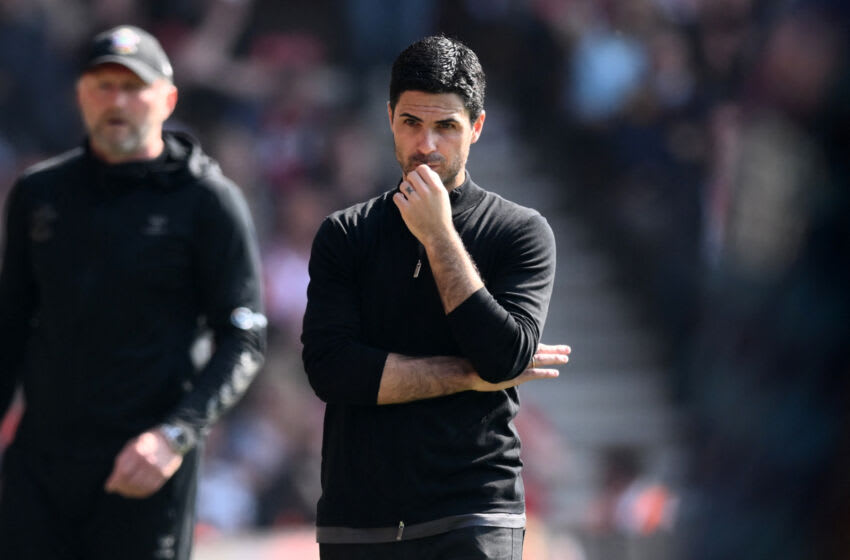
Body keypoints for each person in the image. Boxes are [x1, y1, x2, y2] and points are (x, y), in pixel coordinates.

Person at [0, 25, 265, 560]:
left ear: (167, 99)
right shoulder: (39, 194)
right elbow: (9, 326)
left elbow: (244, 339)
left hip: (144, 473)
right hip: (41, 470)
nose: (116, 101)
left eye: (133, 87)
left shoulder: (208, 201)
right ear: (80, 95)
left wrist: (176, 434)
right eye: (102, 85)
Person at [301, 35, 570, 559]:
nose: (426, 144)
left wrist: (440, 236)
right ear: (389, 120)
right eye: (411, 123)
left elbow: (502, 354)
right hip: (358, 521)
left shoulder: (520, 231)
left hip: (472, 512)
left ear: (477, 127)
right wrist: (468, 374)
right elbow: (332, 372)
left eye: (445, 126)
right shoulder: (345, 235)